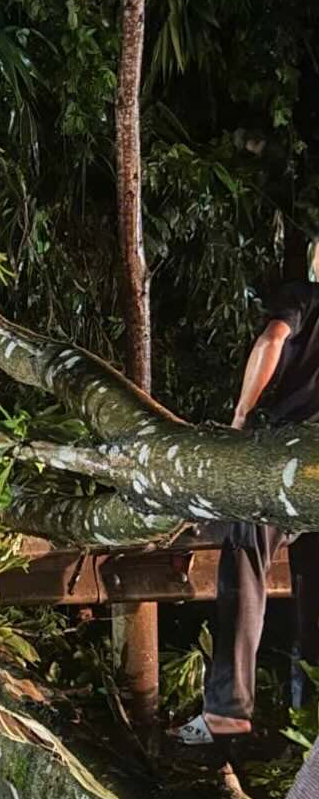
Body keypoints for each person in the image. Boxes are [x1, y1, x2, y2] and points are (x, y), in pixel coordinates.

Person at [174, 239, 319, 745]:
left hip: (287, 458)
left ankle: (228, 711)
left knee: (245, 556)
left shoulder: (305, 298)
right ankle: (310, 724)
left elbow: (270, 341)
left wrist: (239, 419)